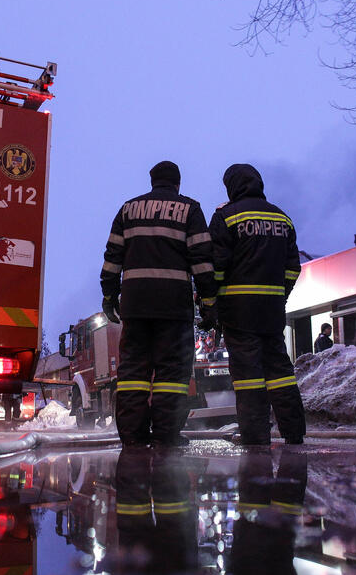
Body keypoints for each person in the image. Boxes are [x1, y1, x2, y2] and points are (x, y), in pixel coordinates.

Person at [100, 160, 217, 447]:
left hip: (136, 306)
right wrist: (209, 303)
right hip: (173, 307)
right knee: (172, 373)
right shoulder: (190, 209)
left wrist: (108, 295)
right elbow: (202, 262)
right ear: (177, 183)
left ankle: (132, 435)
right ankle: (166, 434)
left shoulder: (128, 210)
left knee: (132, 373)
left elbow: (112, 256)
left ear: (152, 181)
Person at [208, 163, 305, 446]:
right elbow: (292, 268)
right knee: (281, 372)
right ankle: (294, 431)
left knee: (249, 374)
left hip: (238, 311)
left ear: (231, 186)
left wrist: (212, 303)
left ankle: (254, 436)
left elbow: (216, 268)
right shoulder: (282, 218)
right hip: (272, 311)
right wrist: (279, 296)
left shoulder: (226, 217)